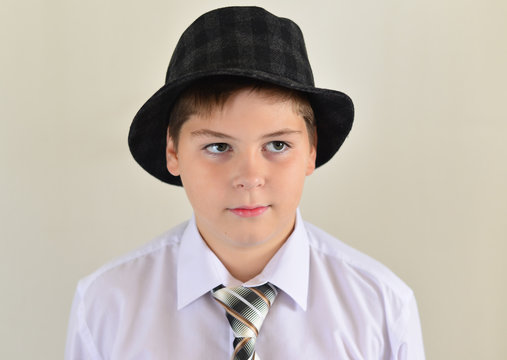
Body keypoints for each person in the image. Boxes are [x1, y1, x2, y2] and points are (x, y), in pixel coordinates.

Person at [65, 6, 425, 359]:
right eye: (218, 146)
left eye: (277, 145)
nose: (250, 178)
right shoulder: (106, 305)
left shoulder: (381, 307)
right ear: (173, 152)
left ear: (311, 151)